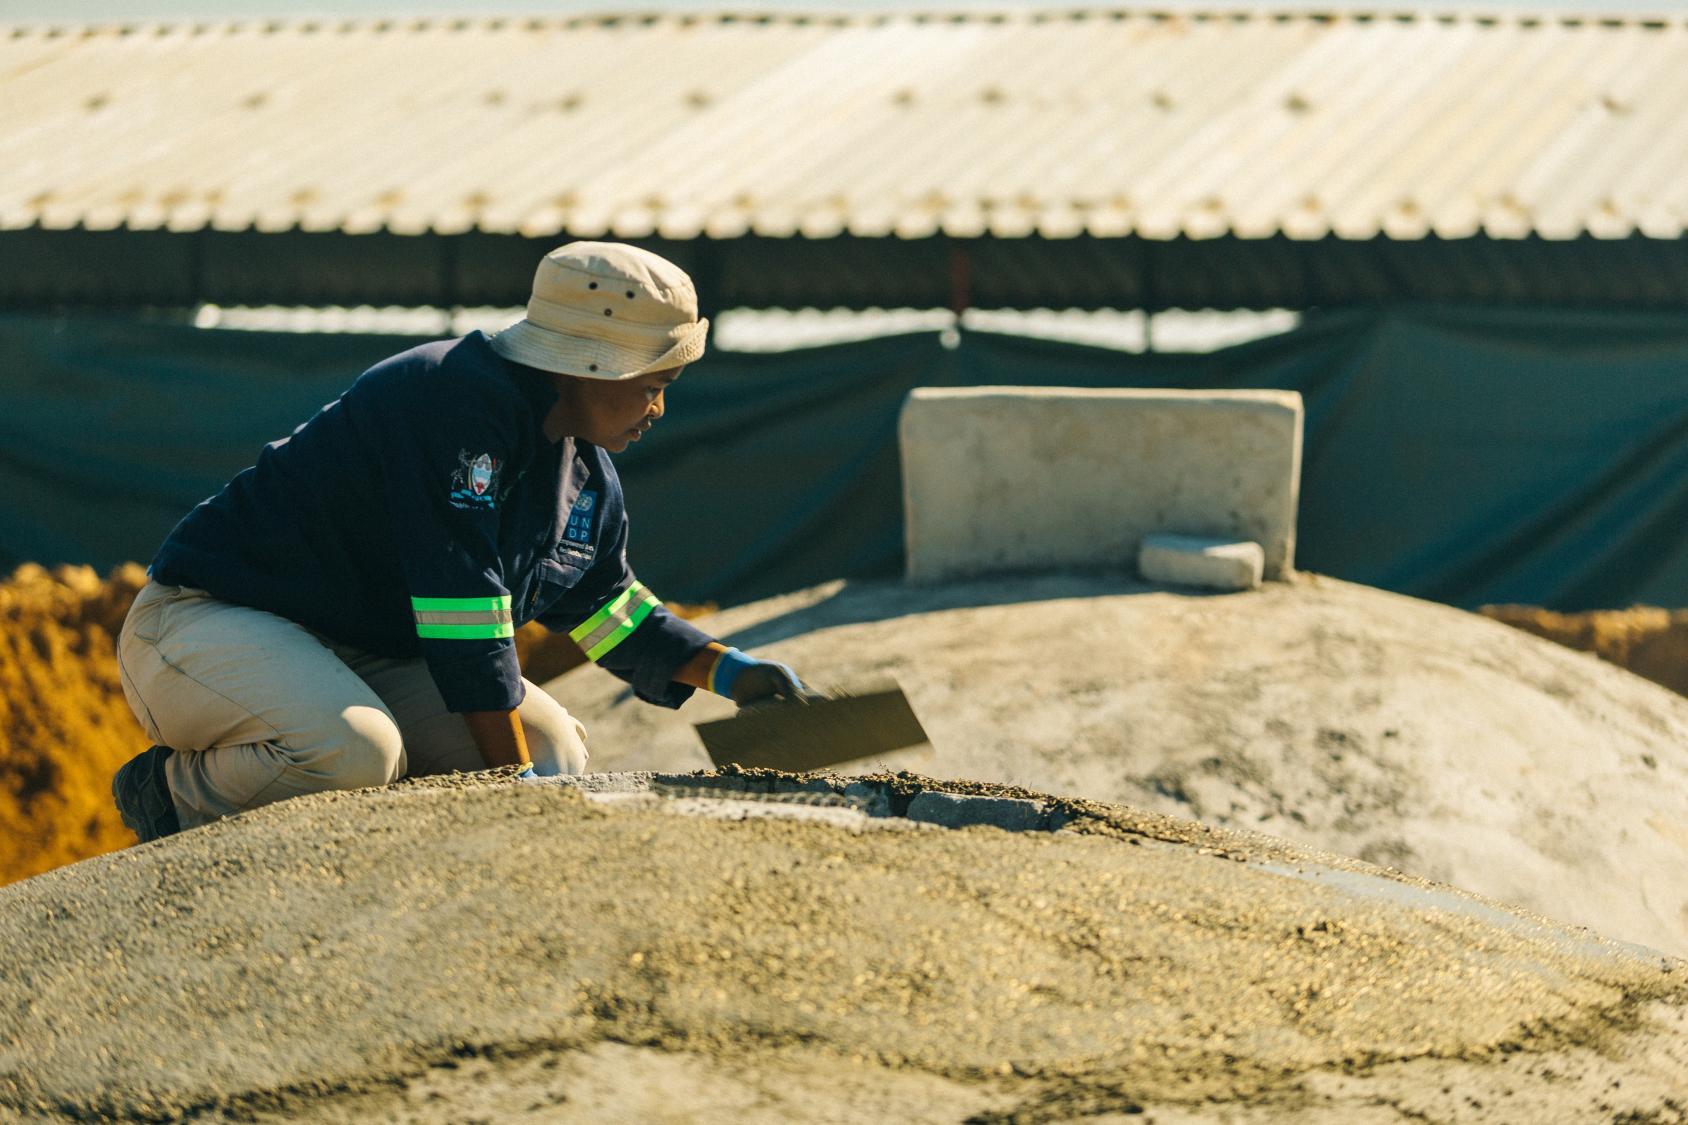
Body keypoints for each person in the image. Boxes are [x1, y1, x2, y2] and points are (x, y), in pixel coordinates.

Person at [111, 242, 806, 843]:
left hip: (359, 657)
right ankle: (169, 793)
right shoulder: (450, 401)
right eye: (653, 386)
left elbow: (607, 610)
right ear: (594, 363)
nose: (659, 410)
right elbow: (461, 602)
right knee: (355, 753)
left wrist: (728, 671)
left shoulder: (584, 473)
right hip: (205, 624)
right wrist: (511, 782)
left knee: (554, 749)